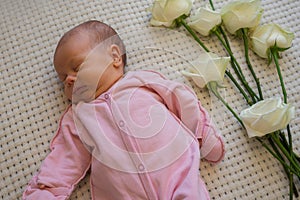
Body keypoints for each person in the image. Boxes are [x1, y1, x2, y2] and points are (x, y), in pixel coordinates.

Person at [23, 20, 225, 200]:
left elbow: (182, 100)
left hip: (179, 178)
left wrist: (203, 135)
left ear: (114, 57)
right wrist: (47, 190)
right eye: (63, 79)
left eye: (76, 67)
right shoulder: (79, 116)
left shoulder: (141, 81)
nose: (69, 79)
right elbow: (66, 157)